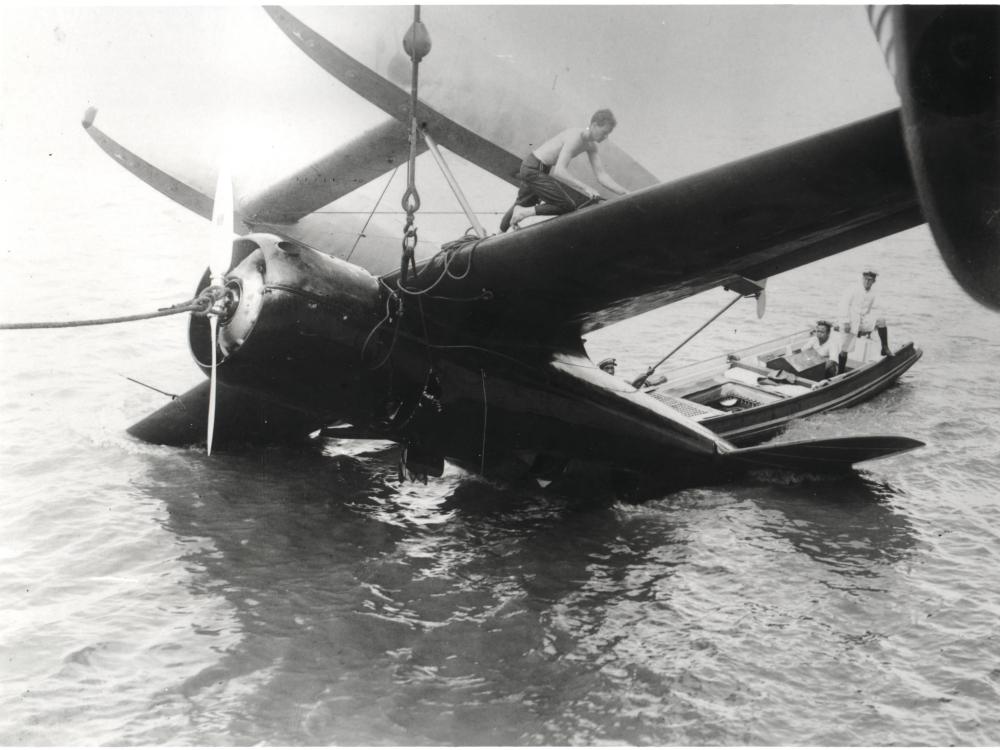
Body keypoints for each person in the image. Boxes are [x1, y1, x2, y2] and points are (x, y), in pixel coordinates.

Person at [499, 109, 630, 232]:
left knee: (523, 203)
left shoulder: (591, 146)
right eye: (604, 132)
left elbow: (602, 175)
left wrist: (625, 193)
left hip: (535, 167)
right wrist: (586, 188)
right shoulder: (576, 137)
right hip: (534, 167)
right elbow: (560, 171)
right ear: (595, 125)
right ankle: (524, 212)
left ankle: (498, 233)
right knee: (567, 205)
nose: (606, 137)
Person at [837, 267, 891, 374]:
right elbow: (843, 305)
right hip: (850, 321)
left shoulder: (872, 294)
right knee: (844, 350)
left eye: (870, 280)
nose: (867, 281)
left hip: (862, 321)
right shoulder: (853, 289)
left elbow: (867, 311)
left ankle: (884, 348)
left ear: (874, 281)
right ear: (862, 278)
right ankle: (840, 372)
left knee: (881, 321)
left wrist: (866, 328)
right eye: (865, 279)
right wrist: (846, 321)